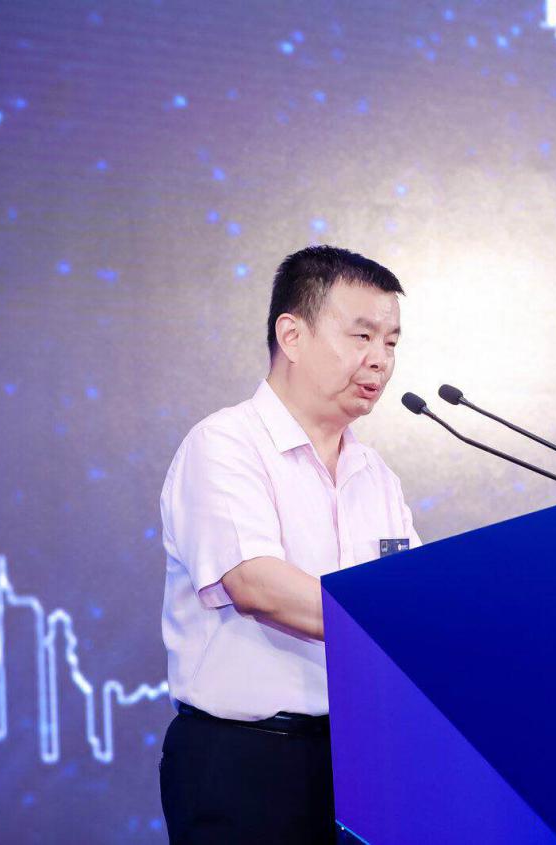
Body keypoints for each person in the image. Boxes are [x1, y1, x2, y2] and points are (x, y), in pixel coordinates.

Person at [157, 245, 420, 844]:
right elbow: (256, 585)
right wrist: (395, 622)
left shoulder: (376, 475)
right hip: (247, 762)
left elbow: (412, 595)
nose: (380, 360)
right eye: (362, 336)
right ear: (292, 335)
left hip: (362, 759)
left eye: (391, 342)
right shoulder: (224, 444)